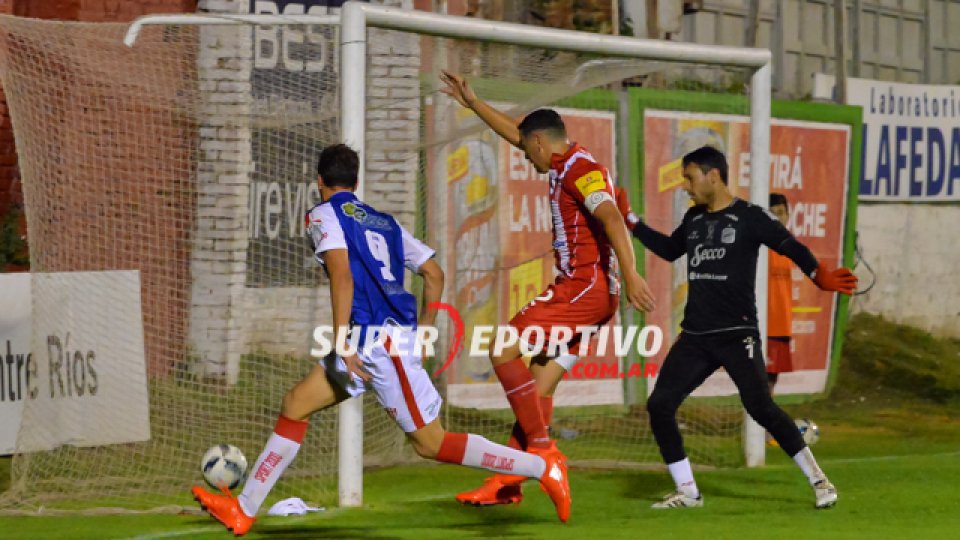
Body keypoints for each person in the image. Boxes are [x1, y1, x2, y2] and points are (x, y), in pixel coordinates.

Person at [191, 144, 571, 536]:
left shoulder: (323, 215)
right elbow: (434, 273)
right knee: (296, 404)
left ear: (319, 181)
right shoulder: (385, 222)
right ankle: (243, 510)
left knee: (431, 443)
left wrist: (342, 342)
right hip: (369, 343)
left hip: (381, 345)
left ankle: (542, 466)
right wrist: (425, 329)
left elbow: (342, 275)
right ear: (356, 182)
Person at [439, 71, 656, 507]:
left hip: (585, 287)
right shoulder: (561, 160)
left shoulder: (582, 170)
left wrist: (633, 273)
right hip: (593, 293)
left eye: (527, 149)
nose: (524, 157)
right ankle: (508, 484)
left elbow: (612, 217)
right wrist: (474, 104)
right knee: (535, 395)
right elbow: (516, 134)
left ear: (540, 142)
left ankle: (543, 452)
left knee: (502, 348)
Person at [616, 146, 856, 509]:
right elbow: (669, 249)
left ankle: (820, 481)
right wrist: (631, 222)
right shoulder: (694, 218)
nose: (685, 186)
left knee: (760, 407)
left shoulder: (749, 217)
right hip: (696, 336)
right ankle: (688, 492)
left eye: (690, 177)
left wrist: (818, 274)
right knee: (660, 404)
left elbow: (790, 246)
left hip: (736, 333)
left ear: (713, 176)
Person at [767, 193, 794, 396]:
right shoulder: (759, 246)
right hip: (763, 324)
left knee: (772, 378)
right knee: (760, 379)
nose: (778, 218)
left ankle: (763, 414)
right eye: (772, 214)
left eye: (781, 213)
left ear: (788, 215)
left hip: (781, 322)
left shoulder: (789, 246)